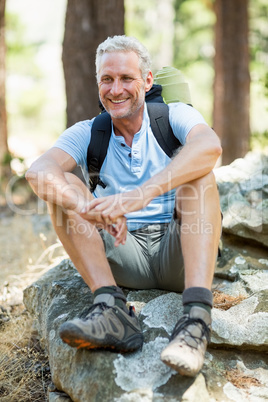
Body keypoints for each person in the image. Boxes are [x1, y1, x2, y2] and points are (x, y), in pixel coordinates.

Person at [26, 35, 222, 377]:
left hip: (179, 250)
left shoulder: (173, 115)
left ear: (147, 81)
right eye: (107, 79)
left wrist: (141, 194)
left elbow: (209, 146)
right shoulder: (89, 132)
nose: (116, 90)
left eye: (126, 78)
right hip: (121, 251)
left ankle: (195, 321)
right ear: (98, 83)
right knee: (64, 188)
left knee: (200, 177)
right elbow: (38, 171)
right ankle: (111, 309)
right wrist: (85, 207)